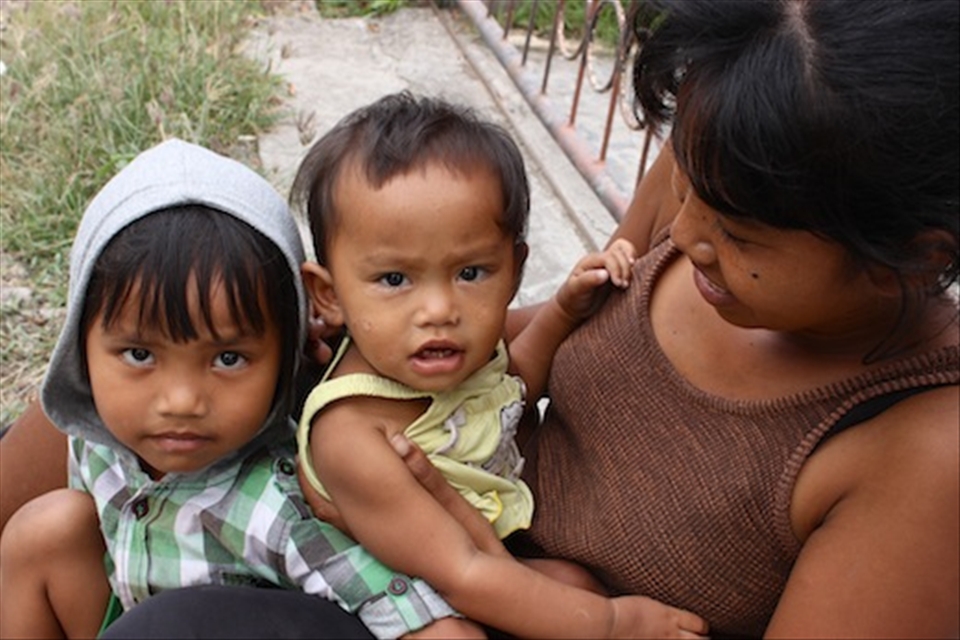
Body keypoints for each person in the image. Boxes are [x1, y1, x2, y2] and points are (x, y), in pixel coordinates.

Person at [2, 0, 957, 637]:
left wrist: (533, 590)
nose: (687, 230)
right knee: (140, 349)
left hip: (493, 605)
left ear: (915, 254)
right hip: (432, 519)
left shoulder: (922, 455)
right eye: (687, 185)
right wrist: (355, 346)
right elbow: (526, 341)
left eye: (738, 232)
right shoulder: (732, 158)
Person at [0, 138, 477, 639]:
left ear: (289, 354)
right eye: (140, 355)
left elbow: (431, 624)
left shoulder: (280, 510)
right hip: (123, 616)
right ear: (80, 347)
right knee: (45, 529)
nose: (181, 402)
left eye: (228, 359)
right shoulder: (98, 447)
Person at [289, 91, 705, 639]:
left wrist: (563, 311)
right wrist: (617, 625)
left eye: (470, 273)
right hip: (385, 576)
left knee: (575, 583)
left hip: (470, 553)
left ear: (514, 269)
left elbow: (507, 395)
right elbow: (460, 573)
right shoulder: (350, 431)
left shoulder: (442, 356)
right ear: (329, 295)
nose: (439, 310)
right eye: (394, 279)